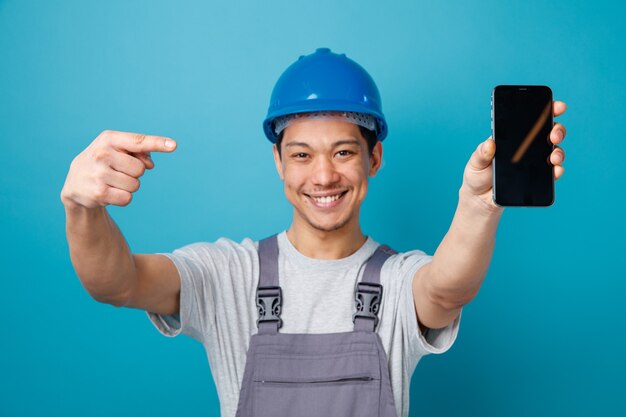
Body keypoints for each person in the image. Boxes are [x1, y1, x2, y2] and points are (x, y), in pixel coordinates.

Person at [61, 48, 568, 417]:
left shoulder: (398, 280)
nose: (323, 176)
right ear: (279, 162)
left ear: (374, 158)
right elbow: (117, 283)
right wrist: (83, 208)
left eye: (343, 152)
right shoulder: (227, 274)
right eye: (302, 154)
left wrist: (479, 205)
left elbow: (449, 287)